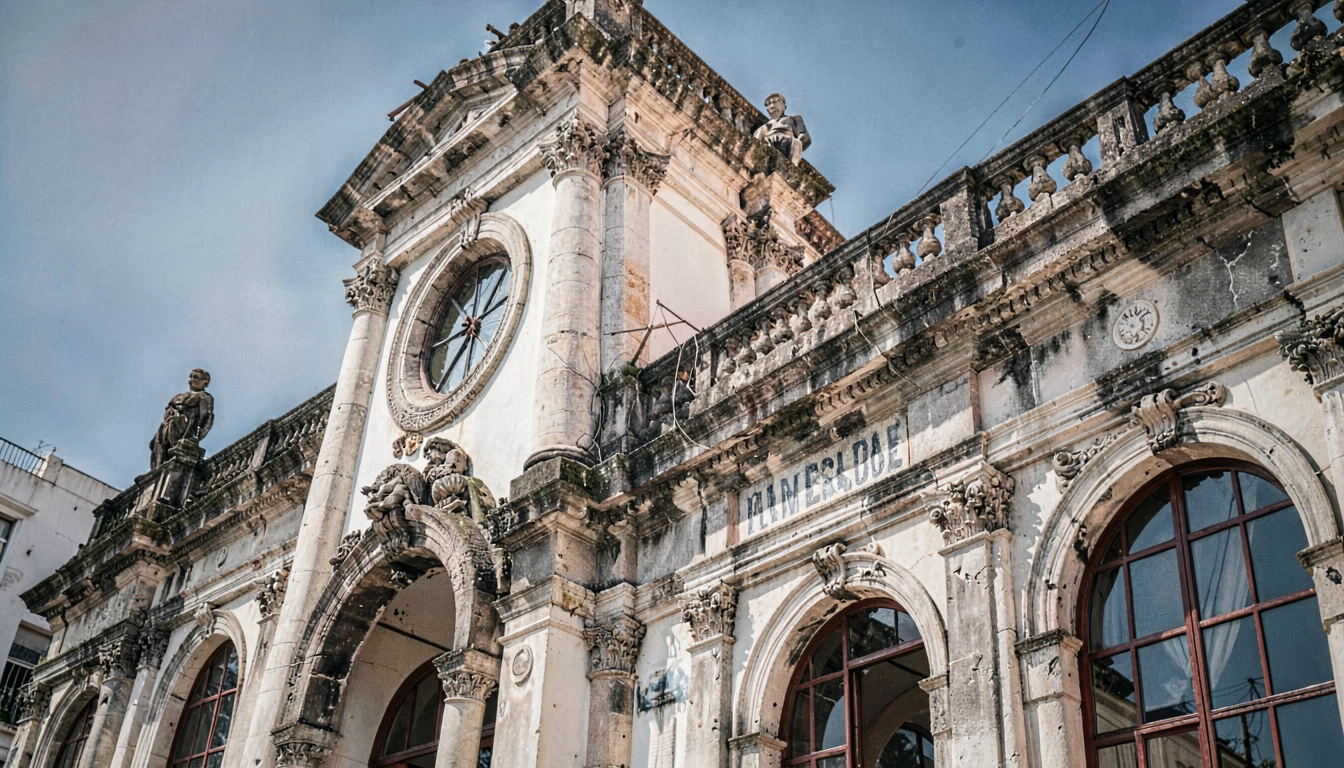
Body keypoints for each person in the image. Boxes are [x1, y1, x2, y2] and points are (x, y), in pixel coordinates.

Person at [150, 369, 214, 469]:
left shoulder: (204, 397)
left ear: (205, 382)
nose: (191, 379)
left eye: (195, 377)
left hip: (185, 425)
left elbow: (206, 417)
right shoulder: (179, 396)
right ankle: (160, 465)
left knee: (175, 422)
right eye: (191, 376)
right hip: (168, 424)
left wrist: (197, 436)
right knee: (160, 438)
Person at [753, 93, 811, 165]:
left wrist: (799, 143)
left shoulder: (793, 119)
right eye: (768, 104)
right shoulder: (764, 127)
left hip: (787, 142)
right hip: (769, 142)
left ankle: (792, 166)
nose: (771, 106)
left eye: (774, 102)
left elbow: (805, 136)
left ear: (783, 105)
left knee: (796, 143)